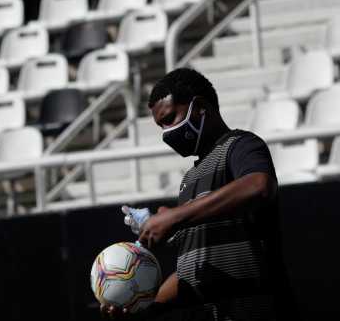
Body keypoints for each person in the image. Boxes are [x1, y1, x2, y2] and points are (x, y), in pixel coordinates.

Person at [102, 68, 293, 320]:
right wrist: (140, 304)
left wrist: (175, 217)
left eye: (170, 119)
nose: (166, 133)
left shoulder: (240, 145)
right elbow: (188, 272)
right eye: (161, 126)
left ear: (200, 107)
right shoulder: (189, 180)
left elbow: (259, 186)